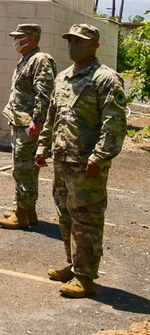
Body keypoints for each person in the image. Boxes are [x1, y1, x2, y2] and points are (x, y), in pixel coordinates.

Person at [35, 24, 126, 298]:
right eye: (71, 40)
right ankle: (73, 264)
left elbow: (115, 124)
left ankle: (85, 276)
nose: (73, 45)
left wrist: (99, 157)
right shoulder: (63, 77)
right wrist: (42, 147)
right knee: (65, 217)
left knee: (87, 220)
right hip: (63, 161)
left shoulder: (106, 79)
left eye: (80, 41)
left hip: (87, 165)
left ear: (94, 46)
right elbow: (53, 116)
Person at [0, 24, 57, 229]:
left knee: (24, 169)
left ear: (30, 38)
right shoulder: (27, 59)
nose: (15, 40)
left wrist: (37, 120)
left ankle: (22, 215)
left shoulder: (40, 60)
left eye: (19, 37)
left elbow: (44, 93)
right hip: (19, 121)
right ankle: (26, 209)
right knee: (23, 168)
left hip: (29, 124)